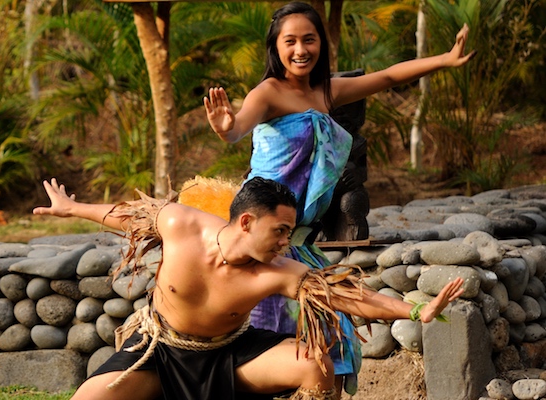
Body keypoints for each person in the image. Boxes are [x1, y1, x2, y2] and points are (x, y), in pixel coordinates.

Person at [203, 2, 476, 394]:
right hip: (263, 235)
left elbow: (388, 76)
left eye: (309, 40)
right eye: (290, 41)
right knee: (260, 342)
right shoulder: (268, 93)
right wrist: (226, 128)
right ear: (275, 48)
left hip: (298, 241)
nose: (301, 50)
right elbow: (238, 127)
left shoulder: (326, 92)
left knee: (324, 341)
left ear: (321, 44)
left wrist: (445, 59)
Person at [33, 177, 464, 400]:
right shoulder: (180, 224)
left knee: (314, 363)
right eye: (279, 231)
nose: (285, 243)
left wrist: (412, 311)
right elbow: (126, 216)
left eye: (289, 233)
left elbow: (347, 296)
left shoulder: (278, 271)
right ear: (245, 222)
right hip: (161, 351)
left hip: (231, 354)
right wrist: (72, 208)